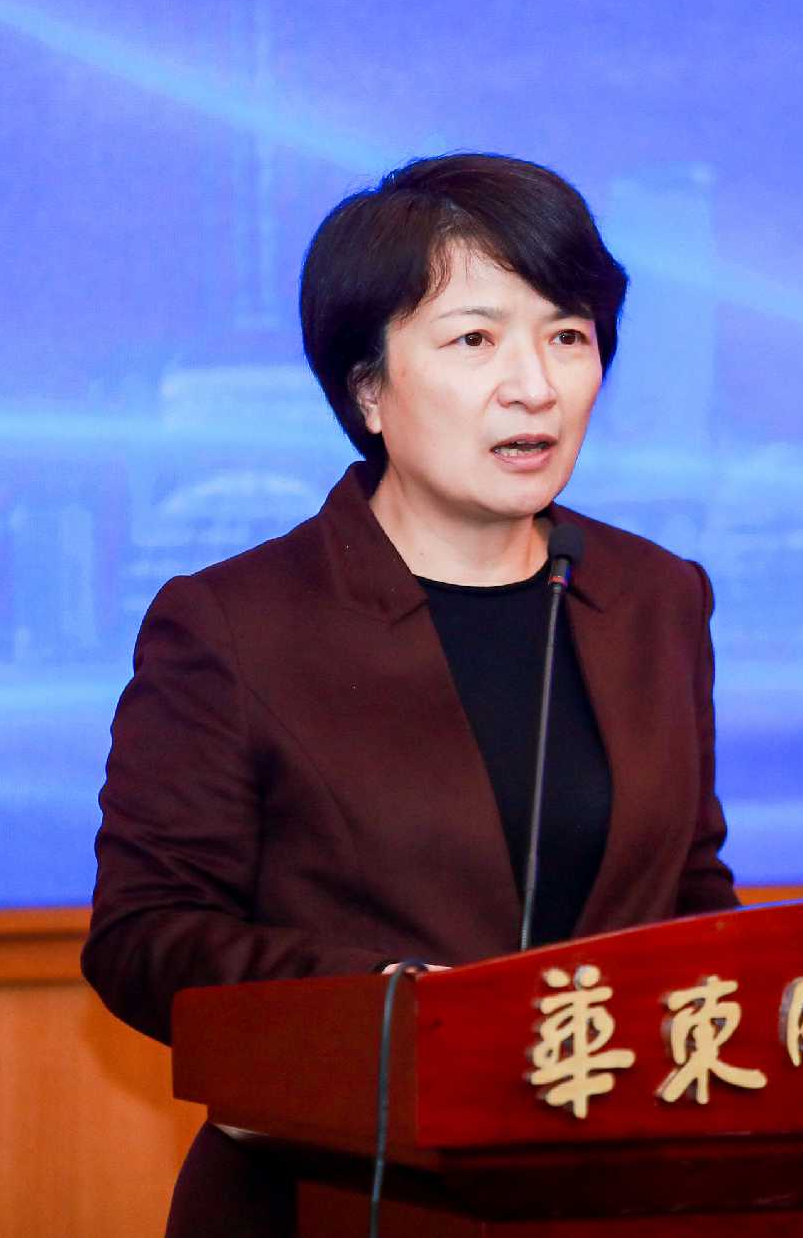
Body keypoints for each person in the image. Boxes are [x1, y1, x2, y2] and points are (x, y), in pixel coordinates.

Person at [81, 152, 739, 1236]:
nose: (533, 385)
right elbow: (145, 937)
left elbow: (689, 892)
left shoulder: (655, 597)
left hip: (607, 1196)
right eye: (475, 340)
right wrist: (391, 1006)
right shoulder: (234, 623)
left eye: (566, 336)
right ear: (368, 389)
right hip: (337, 1195)